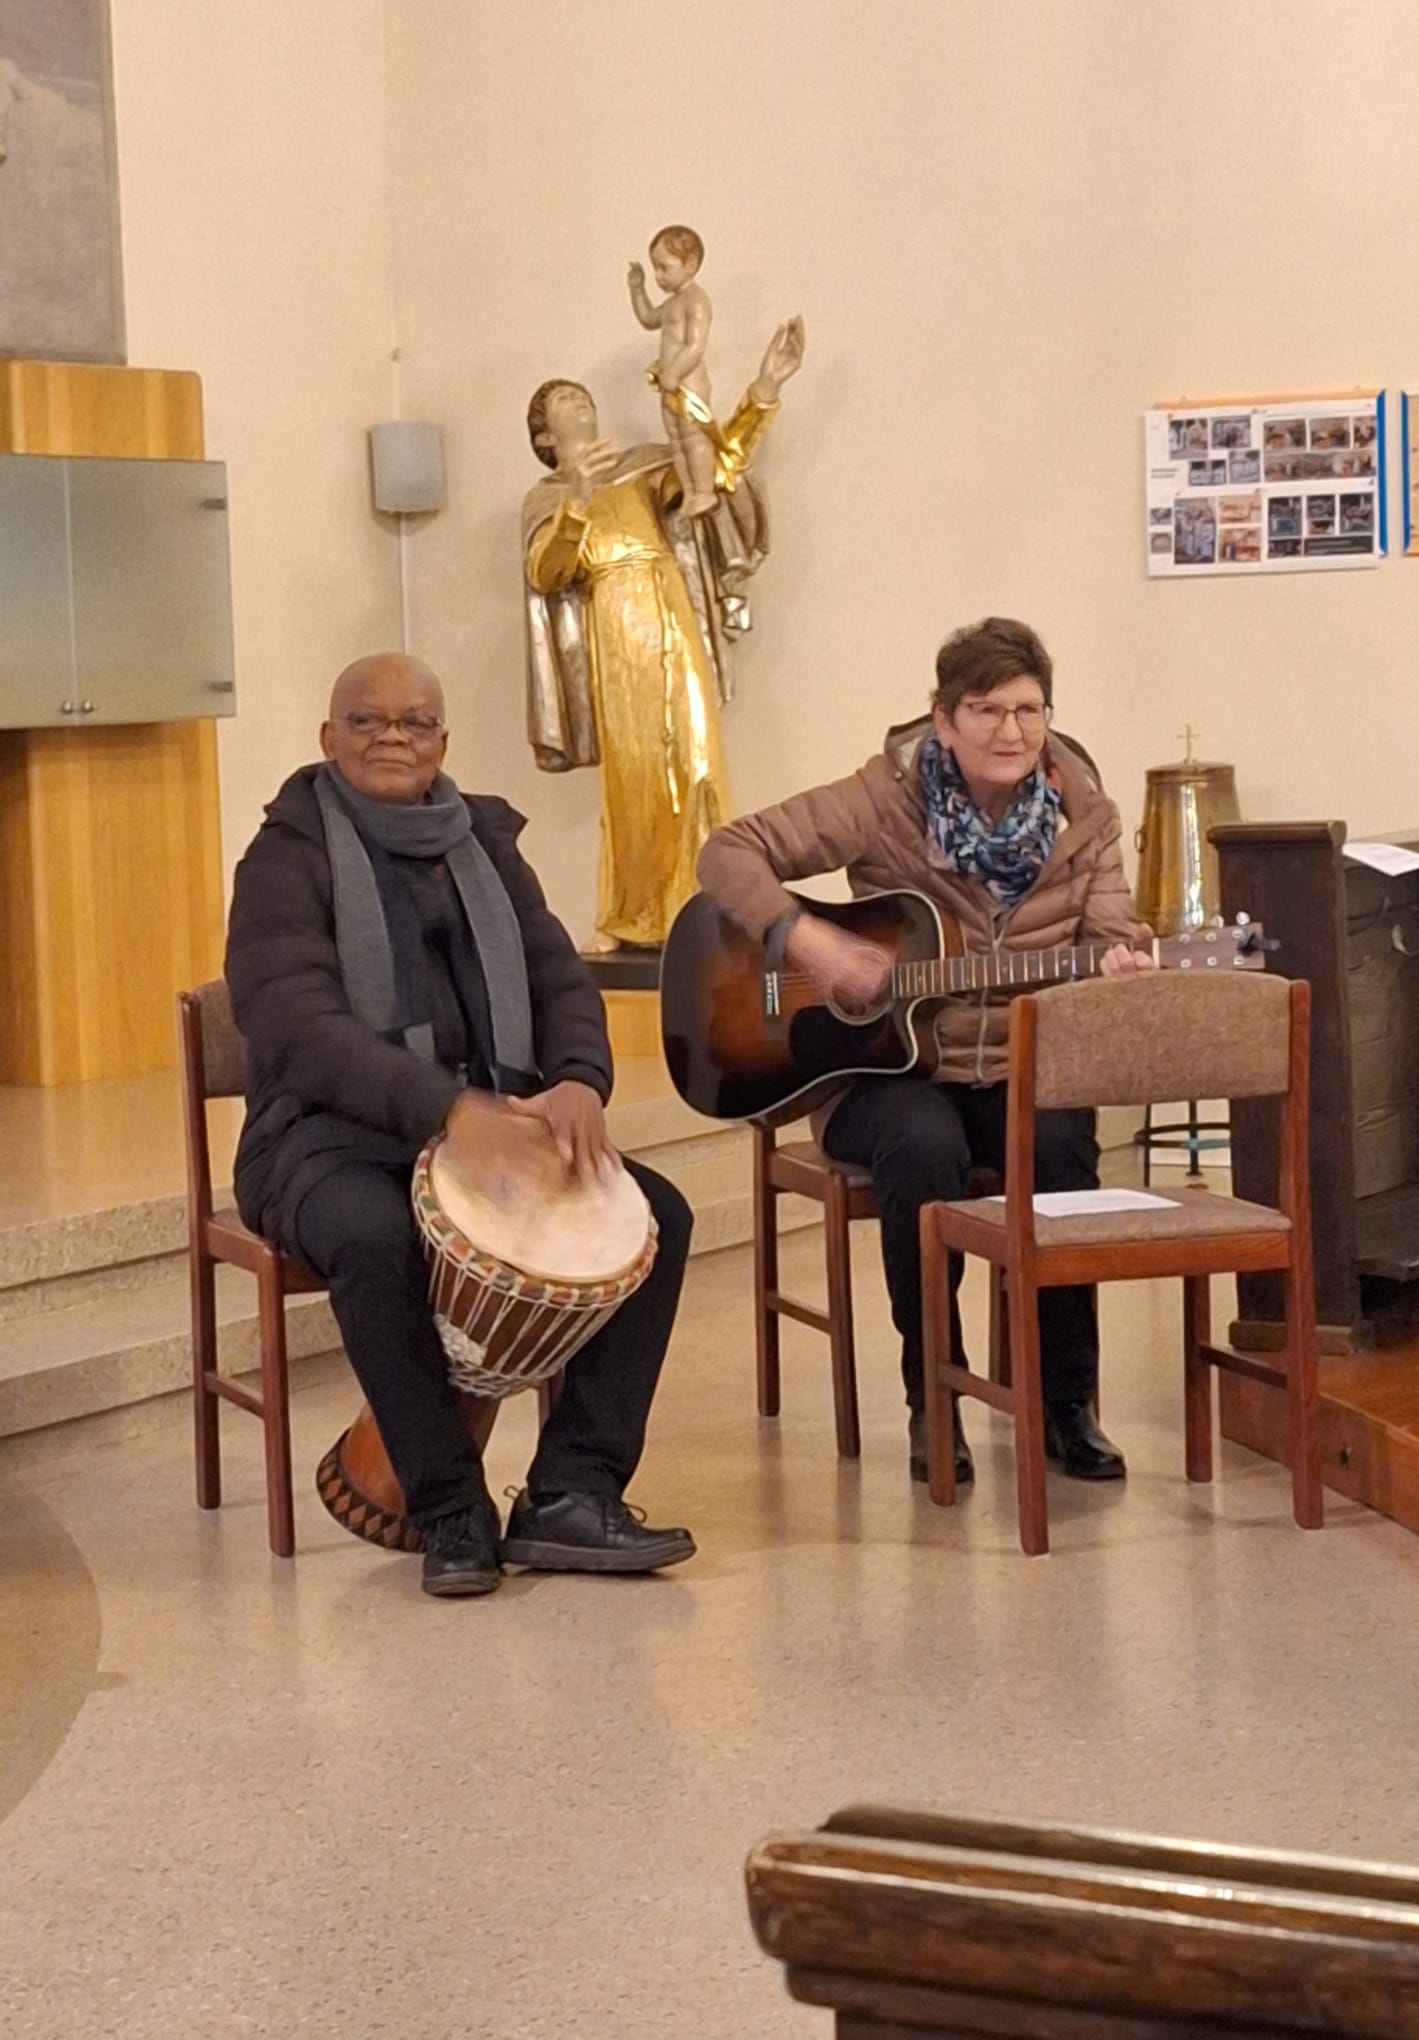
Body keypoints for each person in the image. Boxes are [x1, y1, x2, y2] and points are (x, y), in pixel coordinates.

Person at [225, 652, 697, 1598]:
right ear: (328, 739)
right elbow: (296, 1026)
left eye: (414, 722)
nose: (391, 738)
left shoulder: (485, 840)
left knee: (660, 1215)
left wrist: (578, 1080)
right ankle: (449, 1509)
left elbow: (558, 975)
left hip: (492, 1124)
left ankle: (573, 1490)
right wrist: (443, 1108)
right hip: (321, 1137)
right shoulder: (286, 855)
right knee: (375, 1234)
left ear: (442, 740)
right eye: (366, 721)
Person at [696, 617, 1154, 1487]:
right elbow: (727, 854)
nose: (1011, 731)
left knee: (1062, 1144)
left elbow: (1111, 934)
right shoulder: (884, 798)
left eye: (1028, 710)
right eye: (986, 710)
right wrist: (810, 942)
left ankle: (1065, 1402)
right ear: (944, 721)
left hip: (1016, 1068)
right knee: (921, 1144)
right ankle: (932, 1397)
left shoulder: (1085, 819)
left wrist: (1122, 967)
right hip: (882, 1070)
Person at [522, 313, 805, 949]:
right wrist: (577, 500)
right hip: (614, 630)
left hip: (672, 617)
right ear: (544, 435)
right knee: (633, 779)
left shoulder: (644, 469)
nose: (579, 400)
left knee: (698, 764)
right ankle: (630, 917)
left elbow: (715, 467)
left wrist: (764, 390)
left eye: (581, 394)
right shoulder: (546, 498)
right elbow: (547, 571)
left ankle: (708, 909)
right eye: (563, 399)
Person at [627, 224, 717, 518]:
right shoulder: (670, 305)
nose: (658, 276)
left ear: (690, 265)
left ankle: (704, 490)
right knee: (677, 440)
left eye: (664, 268)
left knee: (693, 437)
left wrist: (675, 372)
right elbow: (647, 318)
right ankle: (690, 492)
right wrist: (637, 290)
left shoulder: (697, 300)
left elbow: (695, 345)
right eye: (655, 269)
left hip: (689, 383)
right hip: (669, 386)